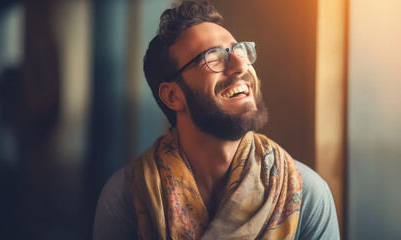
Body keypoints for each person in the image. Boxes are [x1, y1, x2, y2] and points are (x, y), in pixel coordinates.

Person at [93, 1, 340, 239]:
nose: (241, 64)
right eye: (214, 57)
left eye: (240, 50)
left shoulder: (304, 192)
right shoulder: (127, 197)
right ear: (172, 96)